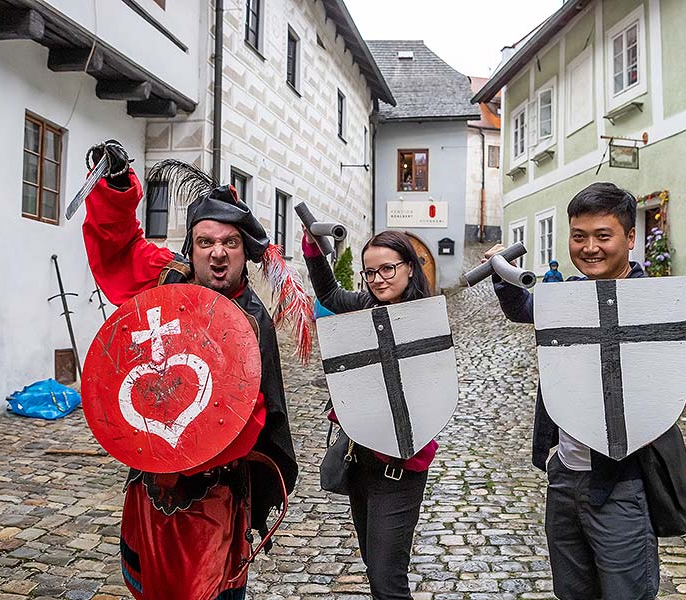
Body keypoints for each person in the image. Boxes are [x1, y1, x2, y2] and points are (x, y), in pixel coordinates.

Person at [81, 143, 303, 600]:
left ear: (244, 252)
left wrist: (199, 450)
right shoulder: (166, 280)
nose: (217, 254)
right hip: (151, 492)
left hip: (216, 498)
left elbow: (259, 413)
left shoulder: (252, 319)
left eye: (229, 243)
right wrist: (118, 186)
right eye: (206, 242)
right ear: (192, 248)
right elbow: (119, 247)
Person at [486, 182, 686, 600]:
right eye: (579, 237)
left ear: (630, 238)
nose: (590, 247)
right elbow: (524, 309)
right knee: (573, 591)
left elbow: (657, 394)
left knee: (624, 592)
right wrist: (501, 273)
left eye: (603, 236)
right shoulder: (567, 296)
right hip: (565, 473)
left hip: (621, 476)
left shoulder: (651, 302)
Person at [302, 229, 436, 600]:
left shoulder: (425, 319)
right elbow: (328, 294)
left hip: (399, 466)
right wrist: (313, 250)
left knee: (386, 580)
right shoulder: (365, 305)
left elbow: (427, 396)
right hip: (360, 460)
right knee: (373, 567)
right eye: (370, 272)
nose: (378, 279)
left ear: (410, 267)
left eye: (388, 269)